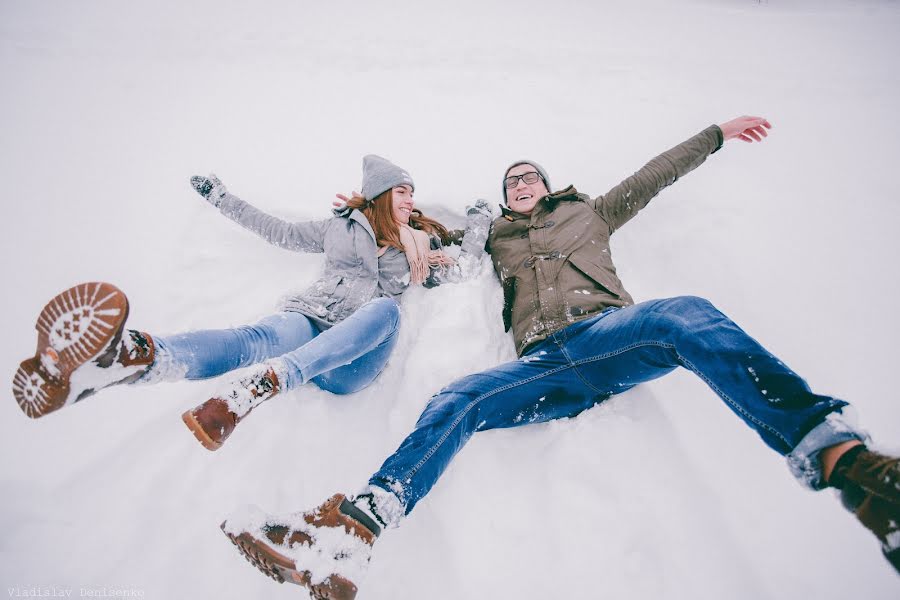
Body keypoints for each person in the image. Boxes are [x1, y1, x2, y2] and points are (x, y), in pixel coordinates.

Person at [219, 117, 900, 600]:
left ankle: (842, 458)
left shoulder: (594, 213)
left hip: (612, 337)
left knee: (682, 313)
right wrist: (363, 213)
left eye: (528, 177)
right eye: (510, 180)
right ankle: (357, 527)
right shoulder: (493, 238)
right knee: (456, 399)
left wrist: (717, 134)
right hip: (544, 364)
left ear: (549, 184)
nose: (519, 184)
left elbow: (656, 173)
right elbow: (414, 231)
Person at [12, 155, 492, 450]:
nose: (410, 199)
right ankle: (135, 358)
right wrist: (222, 198)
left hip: (352, 362)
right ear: (378, 196)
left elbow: (467, 264)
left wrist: (478, 222)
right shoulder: (337, 228)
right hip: (311, 319)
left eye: (413, 193)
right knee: (260, 336)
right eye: (401, 191)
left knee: (385, 310)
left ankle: (269, 382)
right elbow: (276, 231)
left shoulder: (420, 247)